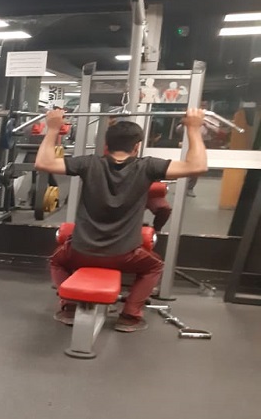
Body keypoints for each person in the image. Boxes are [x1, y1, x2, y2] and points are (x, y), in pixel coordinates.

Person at [35, 108, 208, 332]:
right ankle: (130, 316)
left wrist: (53, 128)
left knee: (57, 261)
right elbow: (197, 166)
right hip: (125, 255)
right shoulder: (148, 167)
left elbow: (43, 163)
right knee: (154, 266)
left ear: (106, 145)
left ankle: (69, 307)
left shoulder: (88, 163)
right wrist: (193, 128)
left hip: (81, 251)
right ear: (137, 146)